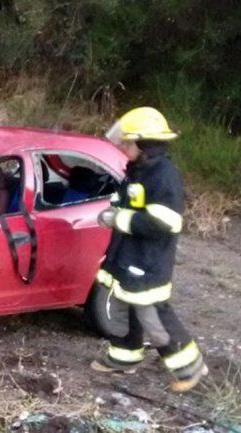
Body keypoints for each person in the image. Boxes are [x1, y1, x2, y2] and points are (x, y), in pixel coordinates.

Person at [91, 107, 207, 393]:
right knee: (122, 305)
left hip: (148, 261)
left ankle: (189, 367)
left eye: (128, 142)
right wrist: (114, 210)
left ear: (144, 145)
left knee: (152, 315)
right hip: (128, 256)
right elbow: (128, 202)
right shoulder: (139, 170)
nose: (123, 146)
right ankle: (124, 358)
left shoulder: (163, 175)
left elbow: (165, 221)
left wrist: (119, 219)